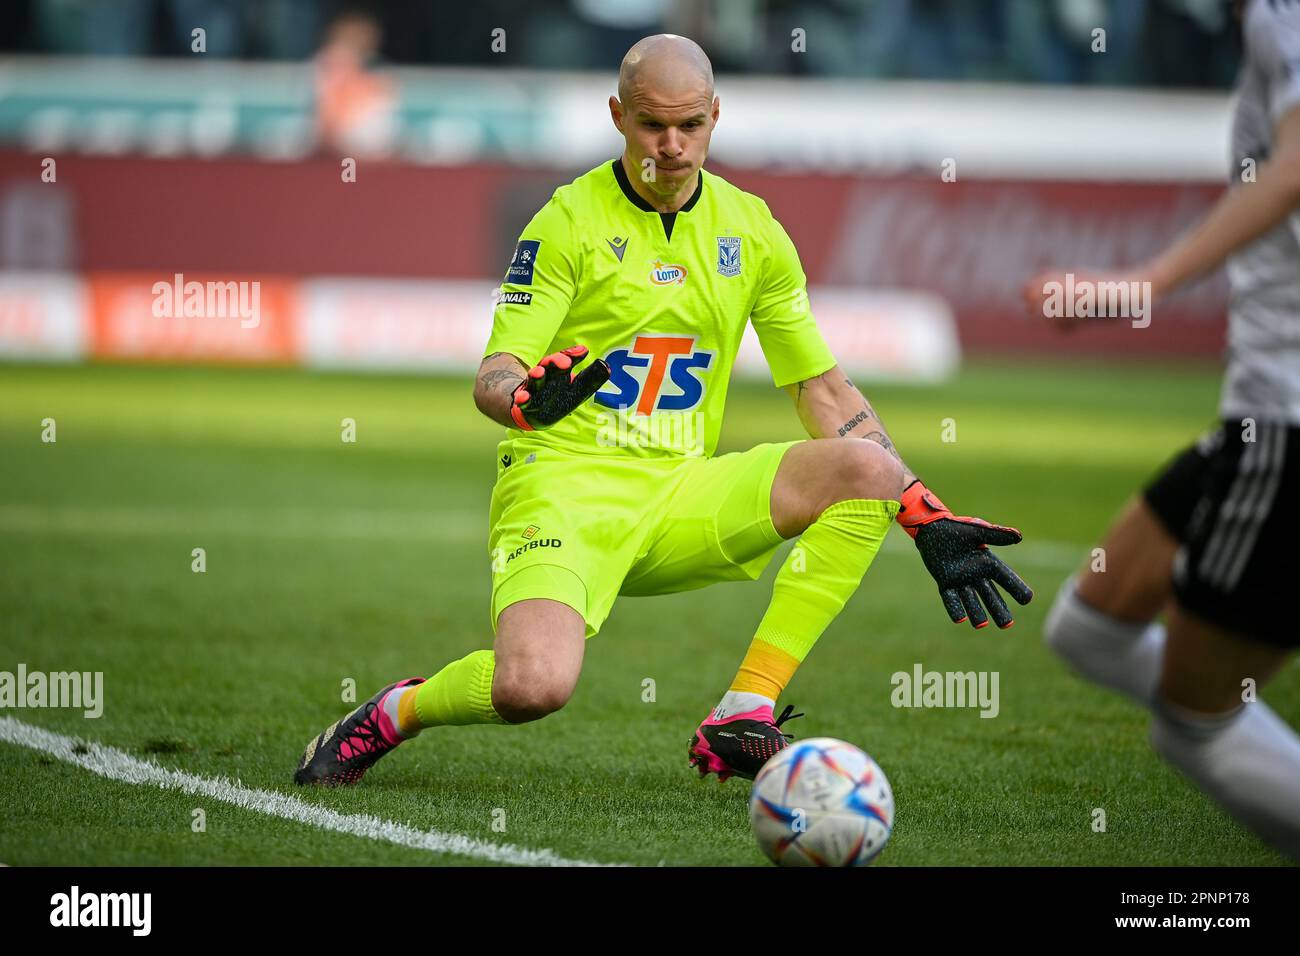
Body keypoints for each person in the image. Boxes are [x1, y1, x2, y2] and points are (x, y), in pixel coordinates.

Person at [294, 34, 1031, 788]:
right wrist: (522, 401)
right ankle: (392, 714)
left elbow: (824, 392)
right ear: (618, 116)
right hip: (564, 489)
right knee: (531, 689)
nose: (672, 146)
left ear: (716, 116)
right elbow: (494, 372)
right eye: (652, 125)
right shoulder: (566, 222)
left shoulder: (754, 230)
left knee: (869, 470)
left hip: (681, 491)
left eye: (690, 125)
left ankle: (743, 711)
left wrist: (920, 508)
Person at [1024, 0, 1300, 860]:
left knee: (1195, 728)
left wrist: (1144, 284)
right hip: (1256, 420)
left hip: (1288, 421)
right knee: (1089, 630)